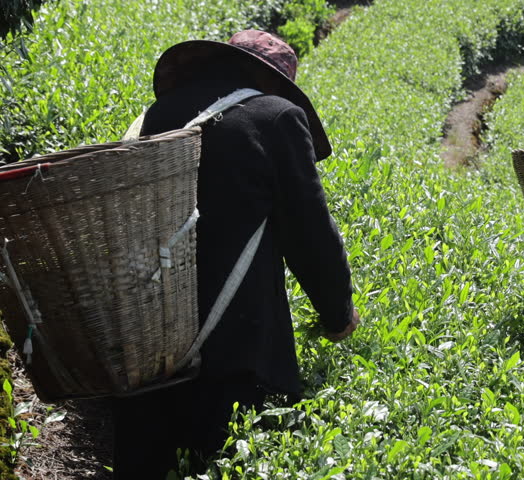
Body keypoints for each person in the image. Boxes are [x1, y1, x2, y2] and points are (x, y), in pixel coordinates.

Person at [112, 30, 359, 479]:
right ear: (275, 82)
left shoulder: (158, 113)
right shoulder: (277, 117)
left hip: (147, 348)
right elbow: (310, 233)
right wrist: (338, 314)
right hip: (231, 355)